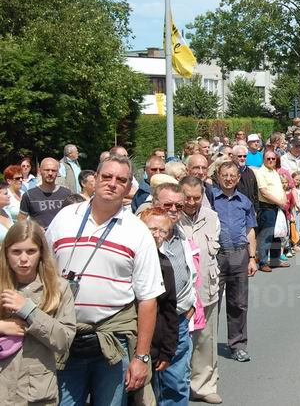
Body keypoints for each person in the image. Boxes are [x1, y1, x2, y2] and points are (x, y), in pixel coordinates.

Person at [46, 154, 164, 404]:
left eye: (120, 180)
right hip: (64, 338)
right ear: (95, 179)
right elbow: (42, 273)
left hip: (114, 341)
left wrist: (141, 358)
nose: (112, 183)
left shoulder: (137, 231)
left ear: (129, 186)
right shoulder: (65, 218)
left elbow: (148, 300)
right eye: (106, 176)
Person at [0, 220, 76, 405]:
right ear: (6, 254)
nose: (23, 259)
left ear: (41, 252)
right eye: (16, 252)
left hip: (36, 392)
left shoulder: (58, 288)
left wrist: (29, 311)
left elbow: (64, 340)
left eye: (31, 251)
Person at [151, 183, 197, 406]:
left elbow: (191, 274)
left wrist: (191, 308)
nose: (173, 209)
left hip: (178, 321)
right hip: (153, 323)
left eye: (178, 205)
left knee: (178, 383)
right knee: (152, 386)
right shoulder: (144, 235)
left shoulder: (181, 233)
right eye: (167, 204)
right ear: (154, 204)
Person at [178, 177, 222, 404]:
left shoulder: (212, 217)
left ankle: (204, 386)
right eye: (188, 197)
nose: (193, 202)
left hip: (207, 287)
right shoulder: (172, 217)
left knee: (206, 339)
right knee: (178, 341)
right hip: (178, 292)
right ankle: (177, 388)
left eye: (197, 197)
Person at [211, 162, 257, 363]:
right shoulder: (210, 198)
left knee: (238, 302)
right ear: (218, 177)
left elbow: (250, 230)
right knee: (212, 303)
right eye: (224, 175)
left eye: (232, 175)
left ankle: (237, 345)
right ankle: (208, 347)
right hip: (216, 256)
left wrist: (253, 258)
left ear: (238, 178)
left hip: (239, 255)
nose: (228, 179)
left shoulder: (245, 201)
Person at [138, 207, 179, 406]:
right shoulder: (128, 259)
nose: (157, 235)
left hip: (152, 349)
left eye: (163, 231)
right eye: (152, 229)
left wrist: (167, 350)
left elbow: (170, 310)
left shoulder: (164, 264)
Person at [252, 151, 289, 272]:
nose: (271, 160)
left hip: (277, 207)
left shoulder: (274, 172)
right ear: (264, 159)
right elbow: (264, 192)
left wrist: (283, 200)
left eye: (273, 158)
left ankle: (275, 260)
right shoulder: (261, 172)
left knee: (277, 235)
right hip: (267, 207)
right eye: (268, 158)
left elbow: (280, 189)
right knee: (266, 235)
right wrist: (280, 203)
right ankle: (263, 262)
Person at [18, 158, 72, 229]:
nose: (50, 173)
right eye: (47, 170)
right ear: (40, 171)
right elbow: (21, 221)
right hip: (39, 238)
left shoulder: (67, 194)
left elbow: (73, 218)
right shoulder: (29, 195)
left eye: (53, 170)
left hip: (61, 237)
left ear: (58, 172)